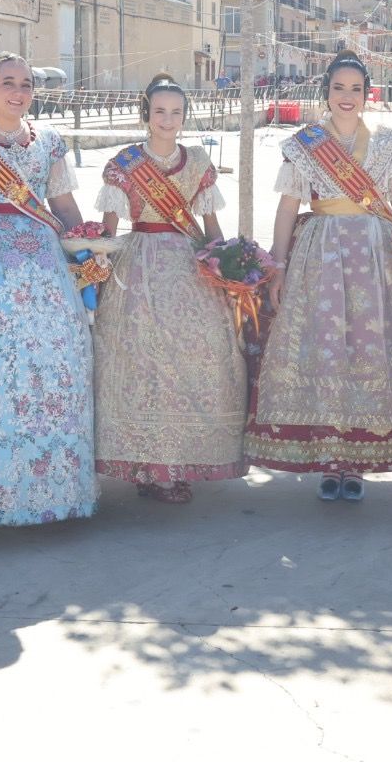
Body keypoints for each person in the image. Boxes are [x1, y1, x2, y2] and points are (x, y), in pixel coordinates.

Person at [248, 50, 392, 501]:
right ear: (326, 92)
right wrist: (277, 266)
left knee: (367, 351)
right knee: (327, 351)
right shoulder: (304, 144)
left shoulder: (389, 144)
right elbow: (287, 209)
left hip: (378, 258)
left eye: (355, 89)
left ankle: (358, 461)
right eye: (338, 88)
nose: (347, 96)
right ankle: (330, 458)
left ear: (367, 94)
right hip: (320, 256)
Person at [0, 53, 96, 526]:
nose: (18, 92)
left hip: (43, 263)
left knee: (55, 365)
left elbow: (63, 204)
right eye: (8, 82)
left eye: (26, 84)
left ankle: (56, 490)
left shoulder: (48, 141)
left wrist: (86, 250)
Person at [93, 74, 246, 504]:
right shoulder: (124, 164)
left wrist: (227, 265)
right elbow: (108, 229)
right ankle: (147, 464)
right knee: (142, 361)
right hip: (138, 266)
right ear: (146, 114)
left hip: (188, 264)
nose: (168, 119)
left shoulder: (197, 162)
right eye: (159, 111)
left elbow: (211, 225)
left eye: (176, 112)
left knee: (193, 357)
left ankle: (178, 461)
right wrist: (98, 267)